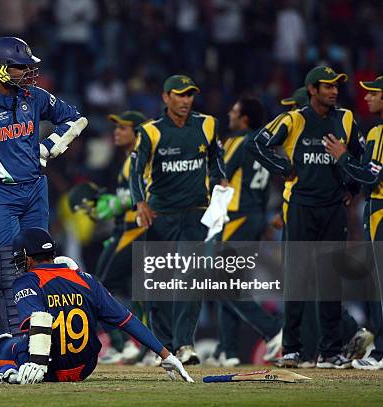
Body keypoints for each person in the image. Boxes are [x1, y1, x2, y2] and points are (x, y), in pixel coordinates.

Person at [0, 227, 194, 384]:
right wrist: (165, 354)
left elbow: (39, 319)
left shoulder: (28, 280)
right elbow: (126, 320)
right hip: (83, 368)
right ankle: (7, 372)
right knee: (12, 344)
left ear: (27, 257)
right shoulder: (86, 279)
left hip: (49, 367)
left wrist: (38, 364)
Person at [0, 37, 87, 333]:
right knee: (8, 270)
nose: (27, 72)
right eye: (20, 67)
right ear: (0, 69)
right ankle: (16, 343)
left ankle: (44, 339)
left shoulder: (33, 96)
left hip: (34, 191)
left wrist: (47, 148)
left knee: (40, 264)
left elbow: (76, 119)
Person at [248, 66, 363, 369]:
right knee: (296, 281)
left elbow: (361, 159)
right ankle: (292, 350)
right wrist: (284, 169)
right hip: (300, 206)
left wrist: (352, 187)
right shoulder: (295, 118)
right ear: (312, 89)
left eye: (336, 86)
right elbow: (257, 143)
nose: (334, 91)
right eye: (327, 86)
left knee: (329, 282)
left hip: (333, 207)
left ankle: (329, 352)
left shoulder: (346, 118)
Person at [129, 75, 227, 365]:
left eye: (189, 95)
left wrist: (219, 183)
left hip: (196, 214)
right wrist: (140, 203)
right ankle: (165, 348)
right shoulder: (150, 131)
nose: (185, 101)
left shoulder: (208, 124)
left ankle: (185, 344)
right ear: (165, 97)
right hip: (161, 215)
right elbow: (135, 172)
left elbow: (216, 159)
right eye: (180, 95)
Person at [206, 96, 282, 367]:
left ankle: (273, 329)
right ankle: (229, 350)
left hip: (235, 218)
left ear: (244, 118)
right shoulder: (263, 143)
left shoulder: (240, 141)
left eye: (234, 110)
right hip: (254, 217)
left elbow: (219, 176)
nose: (229, 112)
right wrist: (262, 223)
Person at [74, 111, 148, 364]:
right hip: (124, 230)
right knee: (132, 291)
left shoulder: (140, 160)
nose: (116, 133)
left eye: (123, 128)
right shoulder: (127, 160)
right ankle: (131, 345)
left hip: (134, 231)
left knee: (103, 286)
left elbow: (134, 197)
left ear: (138, 133)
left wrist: (106, 206)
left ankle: (124, 343)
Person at [323, 75, 383, 370]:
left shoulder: (381, 132)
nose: (367, 98)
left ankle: (381, 352)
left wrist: (343, 157)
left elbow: (372, 176)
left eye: (374, 94)